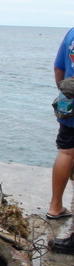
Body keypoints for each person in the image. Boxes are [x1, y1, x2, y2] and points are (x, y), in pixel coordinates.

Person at [48, 27, 74, 220]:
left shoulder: (72, 33)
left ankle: (55, 206)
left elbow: (58, 67)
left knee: (66, 152)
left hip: (70, 101)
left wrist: (63, 93)